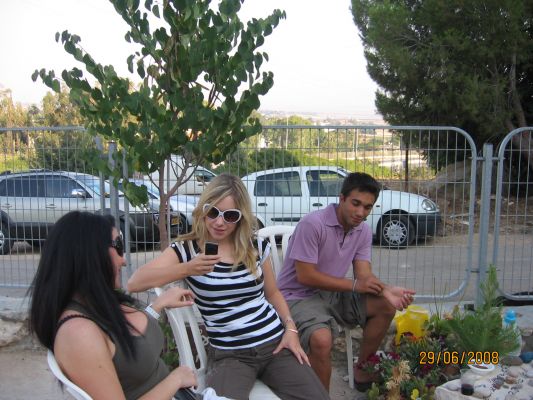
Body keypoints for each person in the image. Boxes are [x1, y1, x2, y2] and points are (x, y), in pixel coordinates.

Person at [127, 173, 329, 400]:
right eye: (213, 212)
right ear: (203, 209)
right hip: (231, 354)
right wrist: (187, 268)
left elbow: (273, 293)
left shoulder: (254, 245)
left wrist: (291, 329)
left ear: (241, 218)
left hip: (275, 344)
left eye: (230, 215)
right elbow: (135, 282)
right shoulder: (188, 250)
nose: (219, 222)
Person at [28, 211, 199, 400]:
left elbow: (130, 341)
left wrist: (157, 305)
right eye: (118, 246)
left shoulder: (94, 305)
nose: (123, 260)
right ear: (89, 253)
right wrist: (175, 379)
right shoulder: (78, 333)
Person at [276, 172, 416, 391]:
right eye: (355, 203)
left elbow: (364, 276)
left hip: (333, 293)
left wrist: (386, 290)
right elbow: (305, 276)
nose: (361, 213)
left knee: (385, 306)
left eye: (367, 207)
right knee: (321, 339)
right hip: (297, 296)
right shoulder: (313, 224)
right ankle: (320, 397)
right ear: (341, 198)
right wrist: (354, 285)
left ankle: (362, 370)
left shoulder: (363, 231)